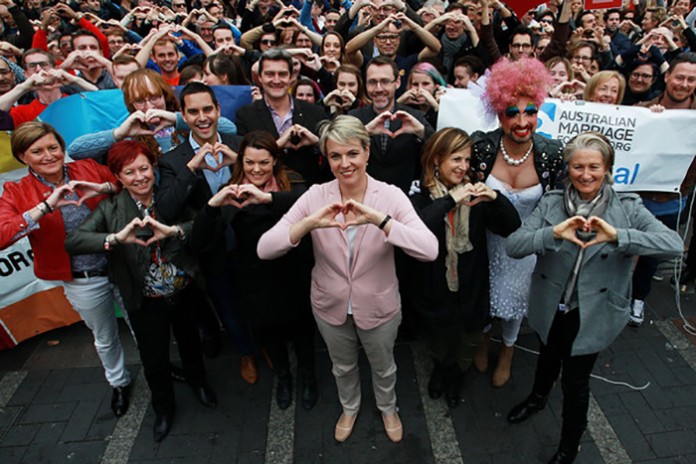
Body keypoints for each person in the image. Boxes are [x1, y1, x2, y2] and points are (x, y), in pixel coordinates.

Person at [257, 115, 438, 444]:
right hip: (330, 303)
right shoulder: (315, 196)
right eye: (336, 156)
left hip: (379, 303)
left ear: (367, 152)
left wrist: (379, 220)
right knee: (342, 366)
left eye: (352, 153)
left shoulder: (391, 196)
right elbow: (265, 248)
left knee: (383, 366)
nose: (345, 163)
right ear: (326, 158)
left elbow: (429, 250)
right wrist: (308, 224)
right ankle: (350, 407)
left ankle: (388, 407)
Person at [505, 132, 682, 464]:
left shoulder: (628, 208)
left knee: (575, 381)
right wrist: (553, 233)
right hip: (550, 304)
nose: (586, 175)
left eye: (594, 167)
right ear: (567, 169)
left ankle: (569, 445)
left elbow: (672, 245)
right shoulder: (551, 203)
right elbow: (514, 246)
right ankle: (538, 397)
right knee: (546, 354)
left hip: (592, 311)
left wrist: (618, 236)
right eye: (578, 166)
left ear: (608, 169)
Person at [65, 140, 217, 442]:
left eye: (144, 168)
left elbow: (197, 222)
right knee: (154, 358)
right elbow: (74, 240)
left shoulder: (168, 198)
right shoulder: (111, 208)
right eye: (129, 172)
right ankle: (164, 409)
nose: (139, 177)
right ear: (118, 177)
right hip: (145, 300)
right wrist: (115, 237)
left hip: (183, 289)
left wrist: (176, 231)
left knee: (190, 344)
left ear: (154, 168)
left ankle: (199, 383)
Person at [0, 121, 131, 418]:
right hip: (82, 279)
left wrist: (101, 187)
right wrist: (46, 206)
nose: (48, 156)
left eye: (53, 147)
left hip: (121, 264)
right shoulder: (17, 190)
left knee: (142, 324)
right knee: (105, 335)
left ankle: (156, 369)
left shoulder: (87, 167)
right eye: (37, 151)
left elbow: (126, 185)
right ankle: (119, 382)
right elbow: (3, 234)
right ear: (23, 157)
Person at [192, 131, 318, 411]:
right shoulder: (233, 191)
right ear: (241, 162)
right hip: (254, 279)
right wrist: (213, 206)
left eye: (263, 162)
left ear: (275, 160)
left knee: (302, 332)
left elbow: (309, 209)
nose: (256, 169)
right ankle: (284, 377)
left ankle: (308, 377)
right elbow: (200, 240)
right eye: (250, 163)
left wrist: (266, 199)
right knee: (268, 333)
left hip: (294, 274)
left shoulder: (292, 182)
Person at [408, 127, 521, 408]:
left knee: (470, 338)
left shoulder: (476, 194)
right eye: (456, 160)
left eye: (467, 160)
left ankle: (457, 374)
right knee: (438, 337)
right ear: (437, 160)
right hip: (435, 285)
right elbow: (418, 227)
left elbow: (511, 227)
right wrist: (450, 200)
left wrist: (496, 198)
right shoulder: (421, 192)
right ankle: (440, 369)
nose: (463, 167)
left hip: (471, 285)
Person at [470, 57, 565, 388]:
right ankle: (483, 340)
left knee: (513, 302)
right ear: (499, 114)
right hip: (486, 241)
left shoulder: (552, 153)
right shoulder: (481, 147)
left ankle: (508, 350)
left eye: (530, 112)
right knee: (483, 295)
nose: (522, 121)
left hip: (525, 245)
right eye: (513, 112)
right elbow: (446, 158)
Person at [156, 82, 259, 385]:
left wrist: (240, 163)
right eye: (193, 112)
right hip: (212, 250)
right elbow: (167, 209)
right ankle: (245, 352)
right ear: (183, 116)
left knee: (258, 298)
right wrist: (192, 168)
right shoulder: (173, 160)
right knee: (226, 304)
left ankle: (266, 344)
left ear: (217, 110)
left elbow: (270, 180)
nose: (202, 117)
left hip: (252, 241)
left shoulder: (241, 143)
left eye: (207, 110)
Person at [68, 69, 236, 163]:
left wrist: (176, 119)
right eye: (140, 101)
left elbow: (230, 129)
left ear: (165, 95)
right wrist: (119, 134)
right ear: (131, 104)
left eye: (155, 97)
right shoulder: (128, 130)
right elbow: (75, 151)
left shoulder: (184, 118)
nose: (149, 107)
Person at [235, 49, 328, 186]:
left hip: (308, 194)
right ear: (260, 78)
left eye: (282, 74)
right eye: (270, 74)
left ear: (291, 77)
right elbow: (242, 160)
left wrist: (316, 142)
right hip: (262, 195)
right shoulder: (245, 115)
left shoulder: (315, 112)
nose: (276, 80)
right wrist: (277, 145)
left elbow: (333, 155)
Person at [348, 56, 434, 194]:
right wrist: (365, 132)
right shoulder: (354, 117)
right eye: (372, 82)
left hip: (404, 198)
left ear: (398, 82)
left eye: (385, 82)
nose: (378, 89)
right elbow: (336, 145)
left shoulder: (415, 116)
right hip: (362, 196)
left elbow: (440, 148)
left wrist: (421, 131)